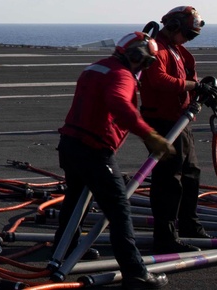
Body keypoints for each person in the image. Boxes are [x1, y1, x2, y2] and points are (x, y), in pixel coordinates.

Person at [55, 32, 172, 290]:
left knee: (76, 199)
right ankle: (136, 273)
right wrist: (149, 134)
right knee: (119, 211)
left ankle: (65, 249)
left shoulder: (97, 66)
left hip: (70, 144)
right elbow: (118, 102)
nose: (145, 68)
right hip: (94, 150)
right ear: (136, 56)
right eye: (147, 62)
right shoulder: (121, 75)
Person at [141, 6, 217, 253]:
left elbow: (186, 80)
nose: (188, 39)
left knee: (190, 173)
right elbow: (158, 80)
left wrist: (201, 90)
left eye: (192, 36)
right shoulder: (157, 49)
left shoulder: (176, 50)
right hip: (163, 122)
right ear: (173, 26)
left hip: (180, 121)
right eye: (188, 34)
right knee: (168, 180)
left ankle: (188, 224)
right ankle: (165, 236)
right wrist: (192, 85)